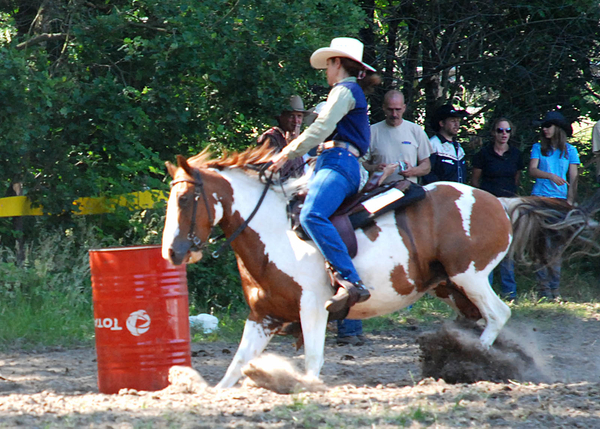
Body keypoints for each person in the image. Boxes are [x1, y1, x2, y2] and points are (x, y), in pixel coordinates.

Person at [269, 37, 380, 313]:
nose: (326, 72)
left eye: (328, 65)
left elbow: (320, 129)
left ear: (337, 63)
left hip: (339, 163)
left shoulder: (344, 90)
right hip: (338, 161)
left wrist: (287, 153)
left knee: (311, 215)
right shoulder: (349, 91)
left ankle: (351, 281)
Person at [471, 118, 524, 300]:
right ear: (493, 132)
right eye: (500, 130)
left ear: (511, 133)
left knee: (508, 246)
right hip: (488, 206)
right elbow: (475, 181)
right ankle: (487, 290)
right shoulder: (483, 154)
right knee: (487, 247)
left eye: (507, 130)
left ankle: (510, 292)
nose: (503, 134)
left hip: (509, 205)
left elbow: (516, 180)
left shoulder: (516, 155)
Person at [529, 111, 580, 300]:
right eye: (543, 126)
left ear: (557, 129)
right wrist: (550, 175)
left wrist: (571, 201)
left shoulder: (570, 150)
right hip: (539, 200)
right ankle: (543, 290)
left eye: (548, 126)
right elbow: (532, 170)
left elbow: (574, 177)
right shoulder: (538, 147)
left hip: (560, 203)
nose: (544, 129)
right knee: (540, 244)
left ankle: (554, 290)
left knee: (556, 246)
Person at [363, 90, 432, 184]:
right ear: (383, 108)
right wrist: (374, 168)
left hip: (409, 192)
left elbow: (426, 165)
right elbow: (361, 164)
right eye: (390, 109)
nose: (394, 114)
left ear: (404, 108)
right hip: (379, 192)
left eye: (398, 109)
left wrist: (412, 171)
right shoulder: (372, 131)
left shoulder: (416, 130)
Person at [257, 95, 309, 179]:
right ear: (281, 116)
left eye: (299, 116)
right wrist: (290, 147)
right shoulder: (270, 138)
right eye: (291, 116)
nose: (296, 121)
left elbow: (300, 171)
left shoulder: (298, 139)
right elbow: (272, 173)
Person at [422, 104, 469, 184]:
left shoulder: (458, 147)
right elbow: (427, 174)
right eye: (453, 121)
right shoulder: (433, 145)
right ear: (442, 123)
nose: (457, 125)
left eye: (458, 121)